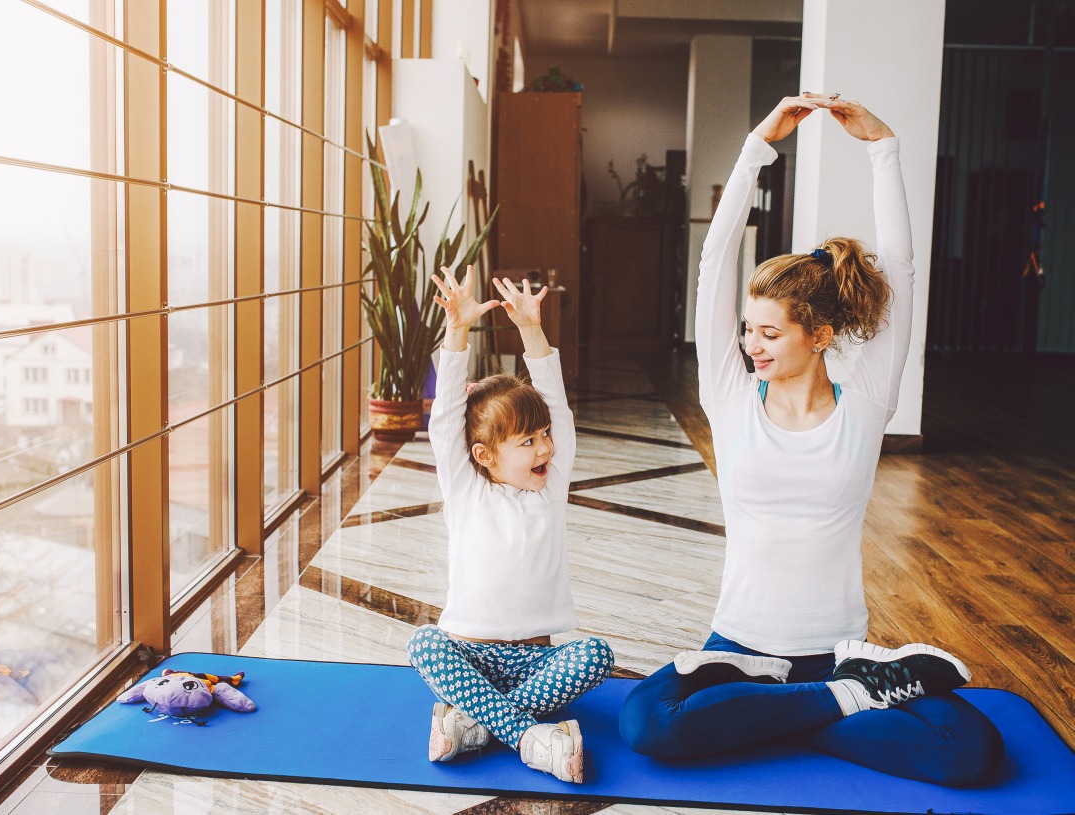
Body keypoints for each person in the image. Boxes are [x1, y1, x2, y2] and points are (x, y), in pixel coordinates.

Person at [617, 94, 1004, 785]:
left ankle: (790, 705)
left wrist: (883, 148)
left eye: (770, 333)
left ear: (819, 337)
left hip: (834, 649)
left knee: (970, 749)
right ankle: (846, 701)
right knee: (646, 721)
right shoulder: (731, 400)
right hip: (734, 649)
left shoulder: (867, 403)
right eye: (747, 330)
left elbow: (904, 276)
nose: (750, 345)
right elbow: (713, 264)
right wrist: (756, 148)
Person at [405, 267, 614, 785]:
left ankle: (477, 724)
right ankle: (528, 736)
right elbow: (445, 417)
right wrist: (457, 331)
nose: (544, 447)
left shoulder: (551, 487)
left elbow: (557, 405)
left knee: (596, 655)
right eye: (527, 442)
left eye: (544, 436)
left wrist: (531, 330)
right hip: (467, 654)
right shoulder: (466, 488)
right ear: (484, 456)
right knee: (422, 644)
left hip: (533, 663)